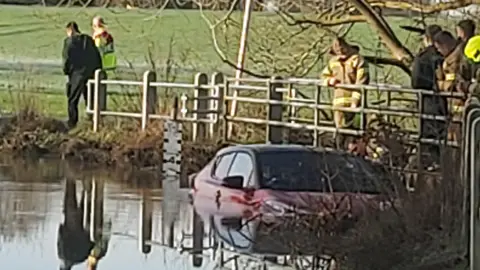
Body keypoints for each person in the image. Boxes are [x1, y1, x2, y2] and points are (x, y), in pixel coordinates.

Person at [321, 37, 369, 148]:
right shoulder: (333, 62)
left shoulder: (358, 60)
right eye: (337, 51)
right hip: (339, 105)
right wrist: (329, 81)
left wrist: (355, 101)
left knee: (356, 135)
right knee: (340, 134)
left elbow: (361, 83)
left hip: (356, 104)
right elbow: (323, 76)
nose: (341, 53)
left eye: (343, 50)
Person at [411, 24, 446, 169]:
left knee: (429, 134)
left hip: (428, 100)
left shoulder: (423, 57)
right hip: (442, 100)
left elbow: (416, 81)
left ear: (427, 38)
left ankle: (431, 164)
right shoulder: (442, 55)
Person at [62, 21, 102, 129]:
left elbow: (66, 58)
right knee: (91, 98)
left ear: (70, 30)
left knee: (72, 99)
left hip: (76, 74)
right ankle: (93, 120)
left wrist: (66, 71)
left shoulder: (69, 42)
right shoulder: (88, 40)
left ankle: (72, 122)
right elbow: (96, 55)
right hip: (90, 73)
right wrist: (97, 70)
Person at [433, 30, 471, 141]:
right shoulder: (458, 55)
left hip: (459, 109)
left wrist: (439, 84)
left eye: (439, 48)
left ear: (445, 45)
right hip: (457, 110)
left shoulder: (453, 61)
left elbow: (450, 85)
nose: (439, 52)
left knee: (457, 141)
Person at [57, 179, 94, 270]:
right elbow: (60, 235)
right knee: (70, 187)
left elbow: (91, 245)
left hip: (83, 224)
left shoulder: (81, 258)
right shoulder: (62, 255)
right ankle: (74, 171)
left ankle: (86, 179)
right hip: (70, 222)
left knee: (84, 196)